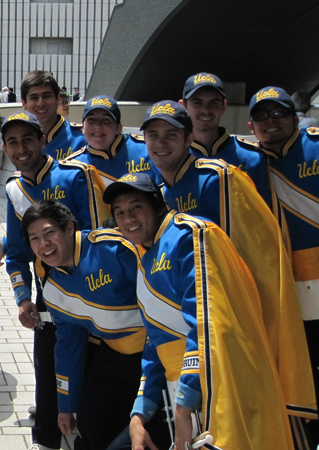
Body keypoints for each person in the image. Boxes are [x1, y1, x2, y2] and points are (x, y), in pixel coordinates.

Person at [142, 99, 316, 442]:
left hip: (239, 327)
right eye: (153, 135)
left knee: (267, 417)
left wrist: (262, 328)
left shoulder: (220, 179)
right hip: (193, 329)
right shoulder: (155, 192)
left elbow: (263, 260)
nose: (161, 143)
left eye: (170, 135)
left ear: (189, 137)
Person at [103, 173, 295, 450]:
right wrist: (139, 413)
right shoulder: (146, 254)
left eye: (136, 207)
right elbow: (156, 341)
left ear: (157, 206)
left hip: (220, 389)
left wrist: (184, 401)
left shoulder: (188, 234)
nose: (128, 219)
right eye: (119, 213)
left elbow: (206, 322)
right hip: (184, 395)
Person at [1, 111, 107, 450]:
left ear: (43, 140)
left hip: (91, 294)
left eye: (28, 139)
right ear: (4, 148)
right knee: (47, 369)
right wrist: (23, 298)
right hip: (48, 300)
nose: (21, 148)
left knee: (91, 374)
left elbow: (97, 238)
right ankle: (46, 439)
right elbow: (16, 253)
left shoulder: (76, 176)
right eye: (12, 142)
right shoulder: (13, 189)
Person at [22, 200, 145, 450]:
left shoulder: (114, 250)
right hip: (113, 353)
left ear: (69, 228)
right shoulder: (52, 284)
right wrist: (65, 407)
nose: (43, 245)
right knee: (91, 423)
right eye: (34, 238)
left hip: (155, 356)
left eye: (49, 233)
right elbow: (68, 345)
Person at [247, 86, 319, 447]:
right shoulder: (248, 162)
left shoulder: (317, 145)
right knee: (298, 382)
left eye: (278, 113)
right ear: (251, 124)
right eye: (262, 116)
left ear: (295, 117)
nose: (270, 121)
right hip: (284, 295)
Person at [178, 72, 270, 203]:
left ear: (223, 107)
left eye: (213, 103)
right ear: (183, 106)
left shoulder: (252, 157)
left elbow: (264, 215)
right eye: (197, 103)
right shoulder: (173, 157)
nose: (206, 110)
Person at [66, 95, 161, 186]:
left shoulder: (147, 151)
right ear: (82, 127)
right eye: (91, 120)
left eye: (106, 120)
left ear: (118, 128)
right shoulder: (73, 166)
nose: (98, 126)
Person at [20, 70, 85, 161]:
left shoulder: (81, 139)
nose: (40, 103)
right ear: (24, 103)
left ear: (58, 99)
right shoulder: (20, 142)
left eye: (46, 96)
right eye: (34, 98)